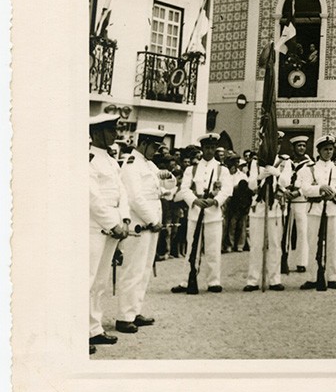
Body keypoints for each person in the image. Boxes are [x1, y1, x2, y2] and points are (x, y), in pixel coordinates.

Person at [115, 128, 175, 333]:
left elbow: (160, 189)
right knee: (132, 271)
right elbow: (135, 198)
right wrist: (152, 220)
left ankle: (134, 310)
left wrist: (167, 188)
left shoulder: (149, 165)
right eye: (154, 147)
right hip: (139, 225)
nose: (156, 151)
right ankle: (124, 317)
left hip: (151, 226)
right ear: (143, 144)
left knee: (144, 270)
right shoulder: (132, 165)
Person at [171, 133, 233, 293]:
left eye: (213, 148)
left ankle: (214, 281)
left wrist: (215, 200)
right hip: (196, 211)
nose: (210, 151)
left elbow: (227, 190)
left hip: (213, 212)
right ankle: (186, 281)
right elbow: (184, 189)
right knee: (192, 248)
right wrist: (195, 201)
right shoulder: (192, 169)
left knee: (213, 249)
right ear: (202, 149)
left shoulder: (222, 169)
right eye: (207, 148)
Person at [89, 113, 130, 352]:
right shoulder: (90, 159)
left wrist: (123, 219)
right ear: (96, 133)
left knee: (100, 282)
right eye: (110, 130)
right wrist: (112, 223)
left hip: (112, 226)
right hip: (95, 227)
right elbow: (92, 198)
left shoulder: (112, 161)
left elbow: (121, 192)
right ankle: (78, 332)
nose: (115, 134)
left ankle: (94, 329)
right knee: (88, 279)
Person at [296, 136, 336, 289]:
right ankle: (313, 277)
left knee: (332, 243)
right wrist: (319, 188)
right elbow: (305, 188)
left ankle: (332, 276)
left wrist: (335, 194)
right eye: (325, 149)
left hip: (332, 209)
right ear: (319, 151)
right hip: (315, 210)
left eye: (331, 149)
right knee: (312, 243)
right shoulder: (309, 168)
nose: (328, 152)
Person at [242, 154, 287, 292]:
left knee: (274, 245)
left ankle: (275, 279)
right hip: (258, 208)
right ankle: (253, 280)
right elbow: (251, 185)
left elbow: (286, 182)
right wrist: (261, 176)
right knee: (256, 245)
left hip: (275, 209)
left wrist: (277, 173)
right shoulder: (256, 162)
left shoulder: (284, 161)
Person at [279, 135, 313, 273]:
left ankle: (301, 262)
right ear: (293, 147)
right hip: (287, 199)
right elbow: (282, 178)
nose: (301, 148)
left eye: (303, 146)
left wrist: (298, 192)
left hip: (301, 200)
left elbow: (309, 181)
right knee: (285, 231)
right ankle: (283, 259)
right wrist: (284, 190)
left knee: (302, 231)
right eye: (298, 146)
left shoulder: (309, 163)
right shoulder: (287, 162)